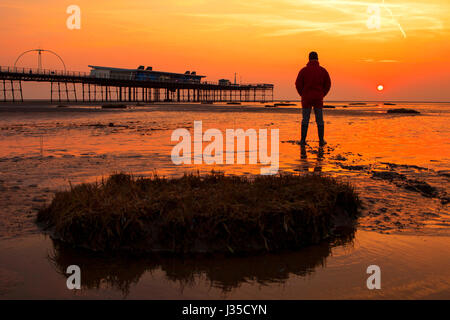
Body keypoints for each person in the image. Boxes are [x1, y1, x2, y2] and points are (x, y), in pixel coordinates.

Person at [295, 51, 331, 146]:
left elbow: (298, 84)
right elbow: (328, 84)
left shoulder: (303, 71)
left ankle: (303, 140)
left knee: (305, 119)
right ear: (317, 59)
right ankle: (321, 140)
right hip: (318, 98)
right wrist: (322, 94)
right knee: (319, 120)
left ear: (309, 59)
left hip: (306, 97)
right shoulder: (323, 71)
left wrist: (302, 94)